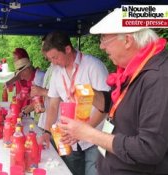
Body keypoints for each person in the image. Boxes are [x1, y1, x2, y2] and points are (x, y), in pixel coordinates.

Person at [59, 8, 168, 175]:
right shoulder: (136, 68)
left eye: (104, 39)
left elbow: (149, 149)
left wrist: (89, 133)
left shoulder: (159, 78)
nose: (101, 46)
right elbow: (119, 104)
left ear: (127, 40)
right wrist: (92, 94)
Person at [41, 31, 110, 175]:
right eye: (50, 59)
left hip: (94, 137)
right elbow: (53, 104)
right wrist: (47, 131)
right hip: (68, 137)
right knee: (70, 171)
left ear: (67, 49)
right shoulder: (57, 72)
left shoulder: (93, 66)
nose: (53, 62)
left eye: (55, 57)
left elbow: (106, 105)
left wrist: (84, 131)